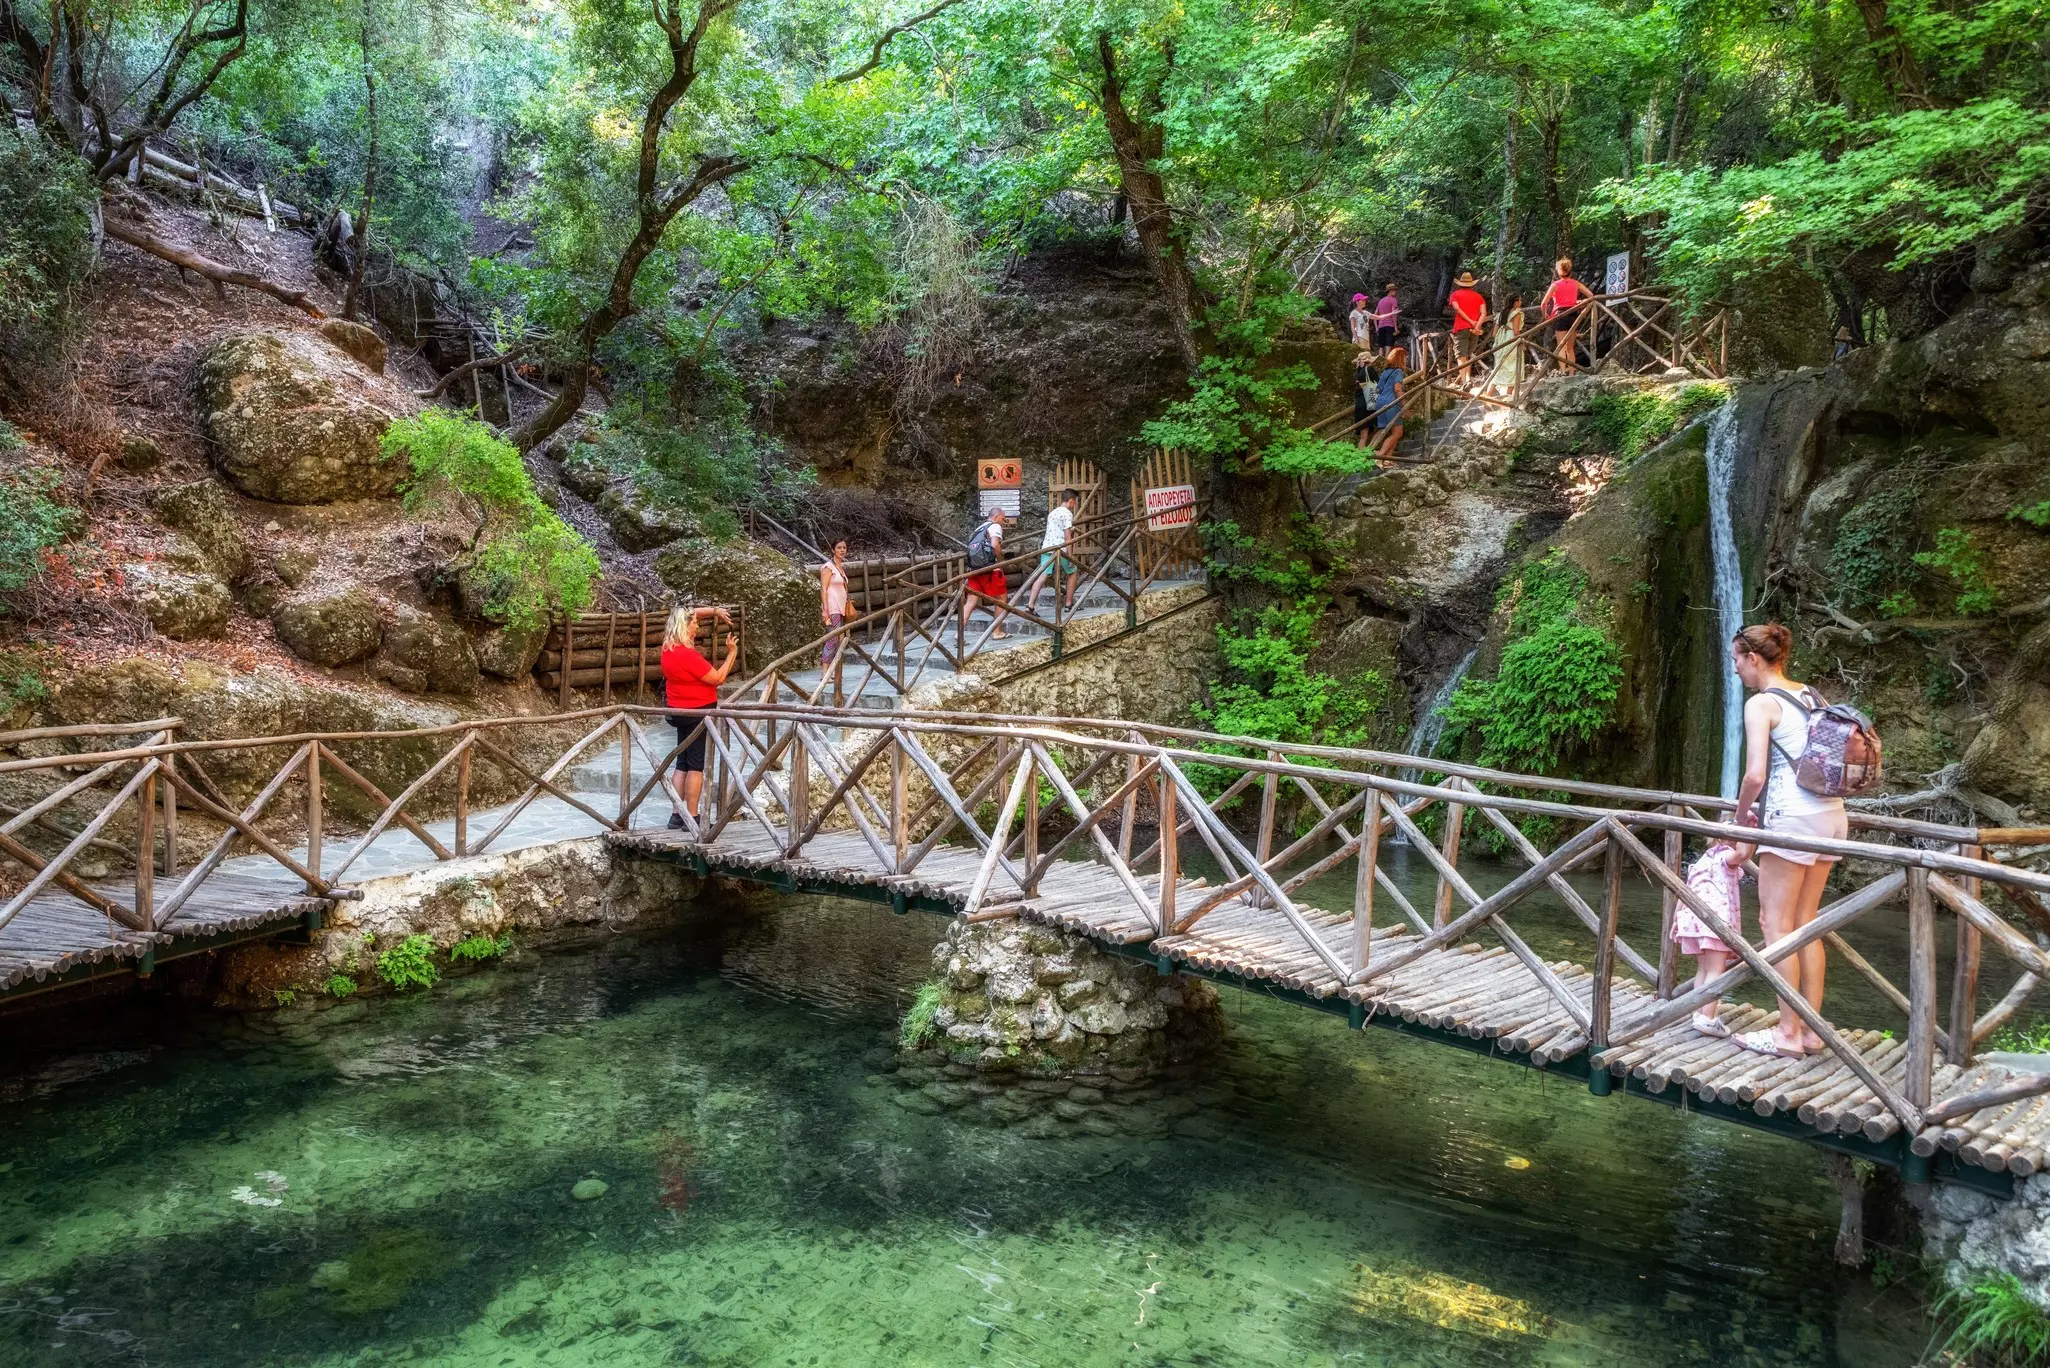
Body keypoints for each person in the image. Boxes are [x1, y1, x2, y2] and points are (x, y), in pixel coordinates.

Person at [1727, 622, 1848, 1059]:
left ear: (1753, 659)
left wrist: (1741, 822)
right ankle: (1811, 1031)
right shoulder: (1812, 694)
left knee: (1775, 927)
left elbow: (1755, 775)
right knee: (1805, 925)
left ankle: (1786, 1034)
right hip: (1832, 818)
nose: (1735, 670)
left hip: (1792, 820)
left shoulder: (1761, 704)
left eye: (1736, 661)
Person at [659, 604, 739, 831]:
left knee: (682, 763)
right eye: (694, 623)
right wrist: (731, 653)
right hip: (698, 713)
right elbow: (718, 678)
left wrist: (714, 611)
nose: (697, 626)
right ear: (685, 626)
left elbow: (687, 611)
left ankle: (677, 814)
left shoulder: (668, 649)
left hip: (678, 711)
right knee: (696, 765)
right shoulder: (688, 656)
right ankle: (692, 816)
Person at [1020, 489, 1080, 619]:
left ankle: (1030, 606)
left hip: (1047, 547)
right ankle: (1069, 604)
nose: (1075, 505)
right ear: (1071, 501)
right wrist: (1070, 556)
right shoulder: (1067, 514)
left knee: (1043, 575)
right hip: (1060, 549)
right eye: (1075, 502)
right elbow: (1067, 536)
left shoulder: (1053, 513)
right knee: (1073, 572)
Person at [962, 506, 1010, 641]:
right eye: (1002, 518)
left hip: (974, 570)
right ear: (996, 517)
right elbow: (995, 545)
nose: (1003, 522)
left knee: (970, 602)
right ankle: (997, 632)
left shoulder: (979, 529)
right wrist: (1000, 562)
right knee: (1001, 599)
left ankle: (959, 635)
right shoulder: (995, 526)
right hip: (990, 570)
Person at [1540, 257, 1587, 374]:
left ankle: (1563, 371)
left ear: (1558, 271)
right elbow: (1591, 295)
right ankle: (1571, 373)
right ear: (1570, 270)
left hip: (1560, 315)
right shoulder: (1576, 283)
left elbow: (1544, 303)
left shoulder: (1555, 285)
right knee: (1571, 347)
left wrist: (1545, 314)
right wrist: (1581, 305)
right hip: (1573, 314)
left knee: (1561, 346)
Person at [1447, 272, 1488, 387]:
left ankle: (1465, 382)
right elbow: (1483, 313)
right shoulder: (1478, 297)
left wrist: (1470, 322)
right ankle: (1468, 380)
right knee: (1468, 355)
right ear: (1471, 284)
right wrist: (1477, 326)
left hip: (1461, 328)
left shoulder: (1455, 295)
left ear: (1460, 283)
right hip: (1474, 330)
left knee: (1461, 355)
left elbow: (1458, 310)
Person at [1371, 345, 1408, 461]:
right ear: (1400, 358)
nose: (1406, 360)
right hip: (1392, 403)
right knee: (1397, 432)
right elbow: (1398, 390)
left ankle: (1388, 459)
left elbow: (1378, 389)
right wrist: (1405, 407)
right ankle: (1381, 455)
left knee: (1392, 431)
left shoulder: (1385, 372)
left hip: (1380, 403)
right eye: (1404, 357)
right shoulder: (1398, 372)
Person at [819, 539, 850, 670]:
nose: (842, 550)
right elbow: (823, 589)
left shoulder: (840, 568)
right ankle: (825, 671)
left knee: (839, 639)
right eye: (839, 548)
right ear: (833, 550)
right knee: (833, 639)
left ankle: (833, 669)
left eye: (844, 548)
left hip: (841, 607)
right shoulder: (828, 567)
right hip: (832, 607)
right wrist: (825, 610)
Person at [1492, 296, 1525, 397]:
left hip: (1501, 340)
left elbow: (1494, 333)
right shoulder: (1516, 314)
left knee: (1500, 366)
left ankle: (1489, 393)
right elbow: (1516, 331)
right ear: (1514, 302)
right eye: (1519, 300)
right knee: (1514, 366)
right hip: (1511, 339)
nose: (1521, 302)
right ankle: (1509, 394)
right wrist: (1522, 341)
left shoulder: (1501, 314)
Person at [1352, 348, 1380, 448]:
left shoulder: (1357, 373)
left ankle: (1361, 456)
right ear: (1369, 361)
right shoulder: (1369, 369)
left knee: (1363, 435)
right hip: (1368, 402)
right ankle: (1364, 456)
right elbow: (1379, 383)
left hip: (1359, 403)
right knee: (1381, 426)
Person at [1373, 282, 1401, 348]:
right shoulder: (1393, 300)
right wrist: (1396, 327)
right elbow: (1394, 314)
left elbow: (1375, 314)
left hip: (1380, 326)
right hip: (1389, 325)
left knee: (1381, 346)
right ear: (1391, 291)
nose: (1395, 292)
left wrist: (1376, 327)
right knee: (1388, 345)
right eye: (1394, 290)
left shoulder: (1381, 301)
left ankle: (1381, 358)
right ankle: (1386, 358)